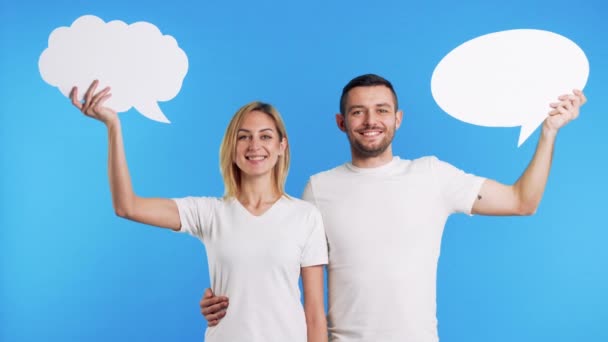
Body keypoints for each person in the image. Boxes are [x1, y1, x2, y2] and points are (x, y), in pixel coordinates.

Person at [200, 74, 586, 341]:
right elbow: (281, 261)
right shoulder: (319, 189)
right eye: (358, 112)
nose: (371, 121)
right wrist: (225, 298)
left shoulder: (433, 175)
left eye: (382, 110)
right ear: (341, 122)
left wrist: (548, 132)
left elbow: (523, 201)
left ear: (398, 119)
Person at [70, 80, 329, 342]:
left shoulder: (305, 216)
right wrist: (113, 126)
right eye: (243, 136)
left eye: (265, 136)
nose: (254, 145)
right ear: (232, 147)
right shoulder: (208, 213)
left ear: (281, 147)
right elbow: (127, 207)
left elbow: (315, 315)